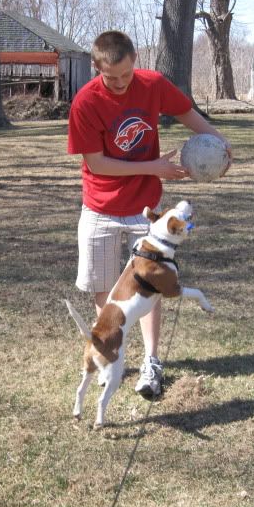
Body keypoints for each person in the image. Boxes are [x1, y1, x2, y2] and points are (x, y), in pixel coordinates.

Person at [67, 30, 231, 399]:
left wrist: (220, 142)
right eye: (112, 77)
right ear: (97, 67)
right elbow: (96, 162)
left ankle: (151, 361)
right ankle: (112, 352)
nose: (122, 83)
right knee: (106, 291)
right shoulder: (85, 102)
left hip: (146, 211)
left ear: (135, 60)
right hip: (101, 208)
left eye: (127, 74)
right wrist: (152, 167)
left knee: (152, 286)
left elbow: (188, 114)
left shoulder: (152, 84)